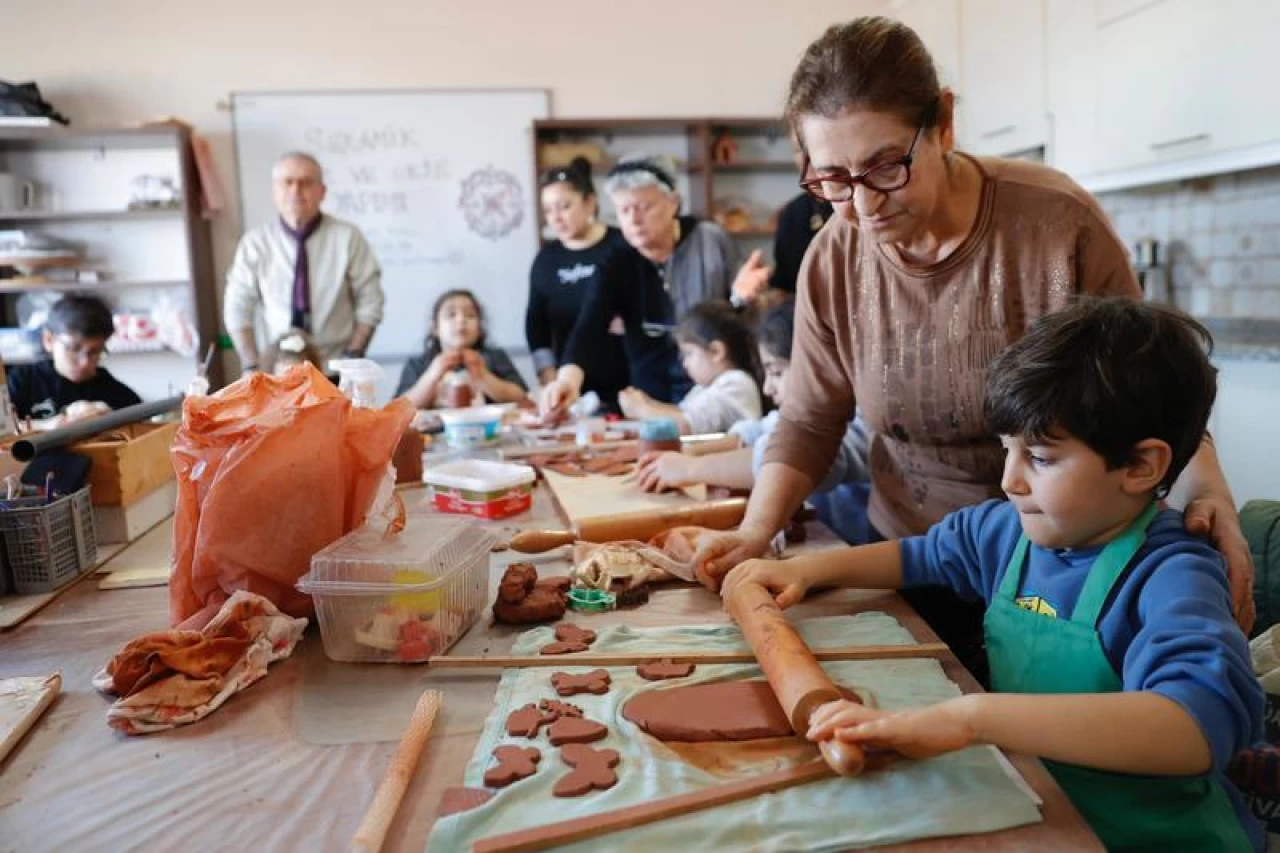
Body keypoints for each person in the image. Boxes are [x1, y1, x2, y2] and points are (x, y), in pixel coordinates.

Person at [695, 18, 1256, 658]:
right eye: (833, 180)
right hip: (911, 558)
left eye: (885, 166)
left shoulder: (1055, 225)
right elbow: (809, 419)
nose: (864, 205)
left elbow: (1148, 393)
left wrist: (1210, 495)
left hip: (1063, 569)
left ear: (944, 124)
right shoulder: (831, 259)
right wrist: (755, 531)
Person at [724, 297, 1265, 852]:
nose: (1010, 480)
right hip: (1045, 815)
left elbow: (1192, 728)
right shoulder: (1008, 533)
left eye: (1042, 458)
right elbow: (917, 557)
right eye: (1007, 450)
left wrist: (973, 718)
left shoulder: (1172, 574)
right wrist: (806, 571)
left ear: (1139, 466)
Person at [635, 297, 873, 543]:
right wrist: (685, 457)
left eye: (777, 372)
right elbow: (758, 432)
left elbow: (794, 453)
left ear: (824, 368)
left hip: (862, 550)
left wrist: (689, 468)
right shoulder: (811, 412)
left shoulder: (860, 419)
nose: (768, 388)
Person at [539, 154, 742, 413]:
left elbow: (738, 317)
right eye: (624, 210)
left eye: (644, 207)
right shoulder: (617, 258)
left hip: (714, 395)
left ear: (673, 203)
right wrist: (567, 380)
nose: (633, 220)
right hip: (650, 400)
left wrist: (742, 300)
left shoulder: (709, 240)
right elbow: (590, 324)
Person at [223, 151, 385, 373]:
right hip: (277, 372)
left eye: (306, 183)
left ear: (322, 192)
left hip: (335, 369)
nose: (295, 191)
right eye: (287, 182)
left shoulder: (347, 237)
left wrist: (352, 356)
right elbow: (237, 307)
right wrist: (253, 365)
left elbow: (370, 301)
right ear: (274, 191)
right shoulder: (256, 244)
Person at [526, 157, 630, 411]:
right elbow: (535, 326)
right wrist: (550, 377)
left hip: (628, 383)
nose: (556, 218)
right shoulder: (546, 259)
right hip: (571, 385)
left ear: (589, 203)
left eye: (564, 207)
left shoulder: (621, 246)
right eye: (548, 210)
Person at [616, 301, 763, 435]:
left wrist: (642, 409)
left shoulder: (737, 383)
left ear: (717, 351)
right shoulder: (703, 388)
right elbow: (681, 413)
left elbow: (686, 425)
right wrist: (648, 403)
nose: (684, 363)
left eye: (689, 354)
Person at [732, 134, 835, 302]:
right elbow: (784, 286)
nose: (807, 158)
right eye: (798, 149)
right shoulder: (792, 213)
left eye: (814, 146)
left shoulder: (855, 206)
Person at [7, 294, 141, 420]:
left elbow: (143, 430)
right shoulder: (21, 381)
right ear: (49, 340)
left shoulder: (116, 393)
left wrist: (112, 419)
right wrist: (47, 427)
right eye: (74, 348)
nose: (84, 362)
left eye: (95, 351)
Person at [396, 289, 526, 409]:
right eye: (451, 315)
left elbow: (522, 397)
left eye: (470, 315)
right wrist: (432, 375)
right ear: (435, 327)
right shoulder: (417, 363)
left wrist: (484, 376)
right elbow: (398, 409)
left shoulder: (495, 357)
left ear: (480, 327)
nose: (461, 320)